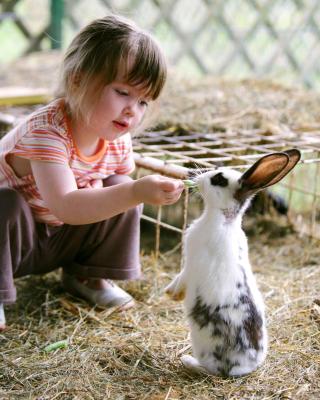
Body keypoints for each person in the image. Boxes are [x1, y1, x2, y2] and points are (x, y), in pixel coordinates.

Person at [0, 14, 184, 331]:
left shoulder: (117, 141)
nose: (132, 110)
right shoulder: (48, 132)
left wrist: (133, 192)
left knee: (119, 185)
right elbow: (66, 205)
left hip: (57, 237)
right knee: (6, 205)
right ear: (78, 80)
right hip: (16, 239)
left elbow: (114, 196)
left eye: (143, 101)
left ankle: (86, 275)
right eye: (123, 92)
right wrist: (136, 191)